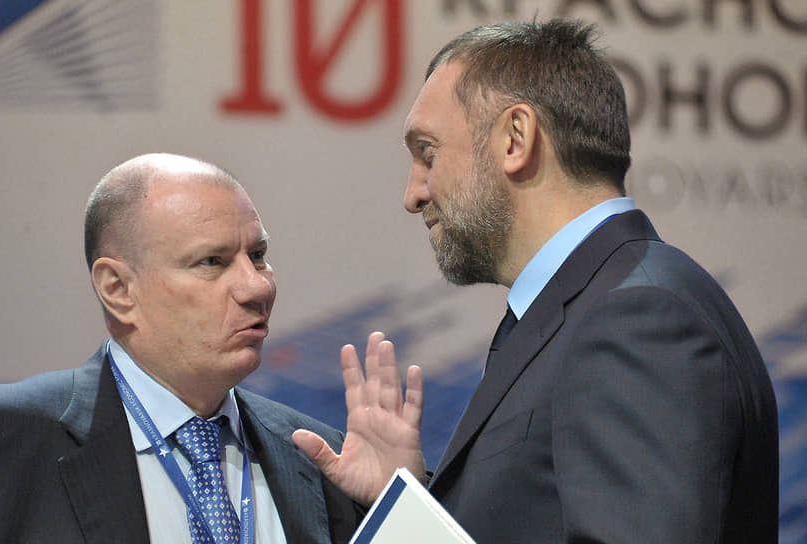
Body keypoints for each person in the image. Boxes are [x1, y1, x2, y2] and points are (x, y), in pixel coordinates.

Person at [293, 19, 779, 543]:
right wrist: (408, 507)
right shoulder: (606, 307)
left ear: (516, 138)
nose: (413, 194)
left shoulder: (637, 321)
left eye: (428, 153)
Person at [0, 153, 362, 543]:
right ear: (118, 289)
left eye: (259, 255)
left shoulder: (317, 456)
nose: (256, 286)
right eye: (212, 262)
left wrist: (395, 498)